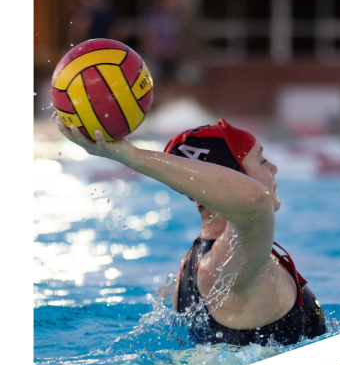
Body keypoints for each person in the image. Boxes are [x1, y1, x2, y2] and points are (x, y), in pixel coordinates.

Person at [59, 119, 325, 347]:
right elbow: (256, 202)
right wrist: (129, 154)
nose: (273, 168)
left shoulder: (192, 265)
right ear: (234, 176)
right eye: (262, 160)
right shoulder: (225, 264)